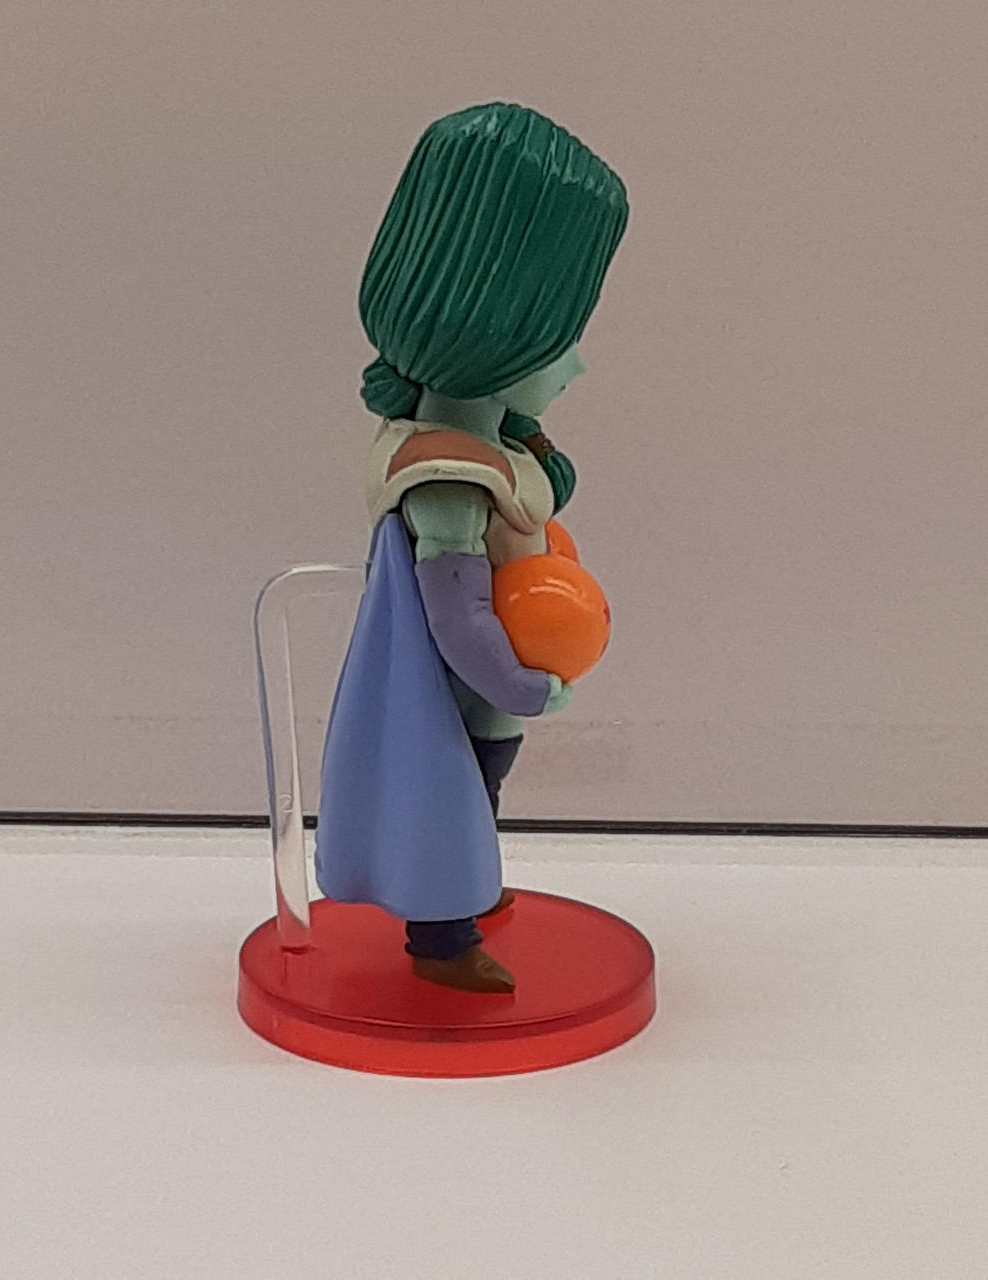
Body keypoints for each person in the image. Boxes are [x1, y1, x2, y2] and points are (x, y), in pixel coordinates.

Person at [314, 102, 628, 992]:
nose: (577, 366)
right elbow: (456, 616)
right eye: (563, 341)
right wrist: (522, 685)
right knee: (453, 797)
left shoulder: (498, 446)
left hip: (492, 687)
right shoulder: (448, 474)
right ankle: (441, 935)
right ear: (500, 340)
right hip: (462, 696)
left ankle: (464, 883)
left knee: (475, 797)